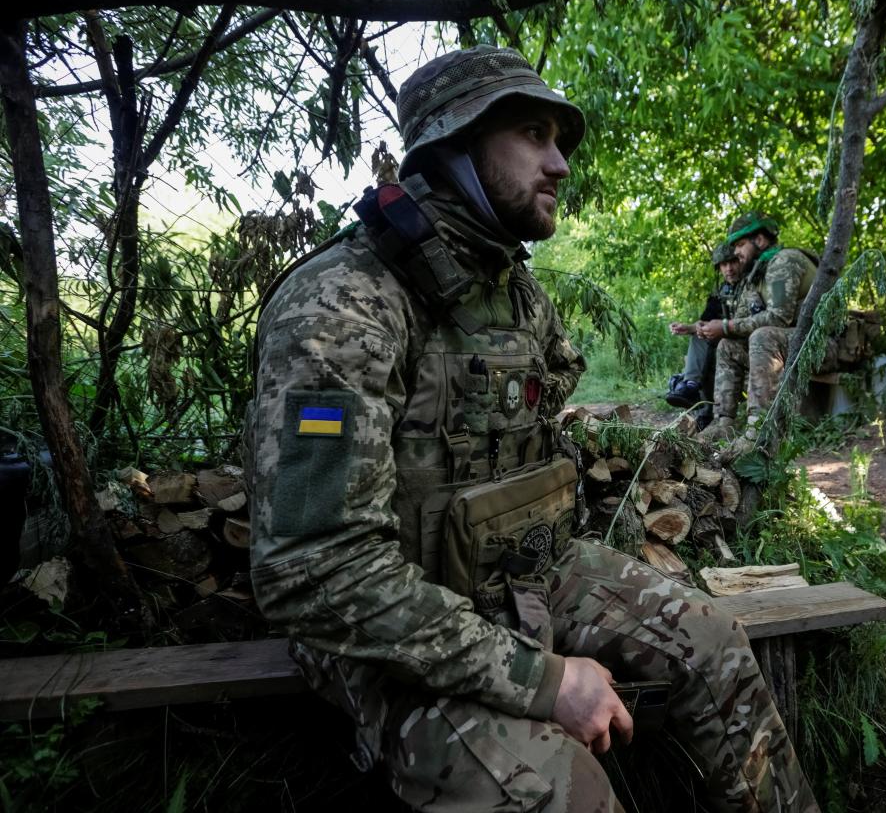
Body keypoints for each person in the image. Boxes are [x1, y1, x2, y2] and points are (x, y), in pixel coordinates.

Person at [247, 46, 818, 813]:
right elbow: (316, 571)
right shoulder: (346, 303)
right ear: (454, 143)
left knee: (714, 644)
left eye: (559, 141)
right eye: (533, 134)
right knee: (559, 791)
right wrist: (545, 680)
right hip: (390, 629)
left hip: (521, 579)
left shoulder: (513, 292)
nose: (560, 164)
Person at [696, 211, 817, 449]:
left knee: (762, 336)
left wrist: (726, 326)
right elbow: (742, 318)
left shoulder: (785, 261)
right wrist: (718, 329)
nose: (736, 253)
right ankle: (724, 422)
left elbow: (779, 317)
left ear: (759, 240)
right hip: (792, 343)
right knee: (727, 345)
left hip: (821, 344)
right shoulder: (757, 272)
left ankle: (758, 428)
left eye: (740, 245)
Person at [665, 243, 748, 413]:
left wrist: (722, 328)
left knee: (710, 349)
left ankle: (692, 390)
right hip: (728, 342)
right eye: (724, 265)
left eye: (733, 262)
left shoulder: (751, 285)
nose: (729, 269)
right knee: (701, 336)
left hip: (749, 342)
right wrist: (687, 328)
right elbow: (704, 322)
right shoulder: (722, 292)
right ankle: (692, 388)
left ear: (741, 261)